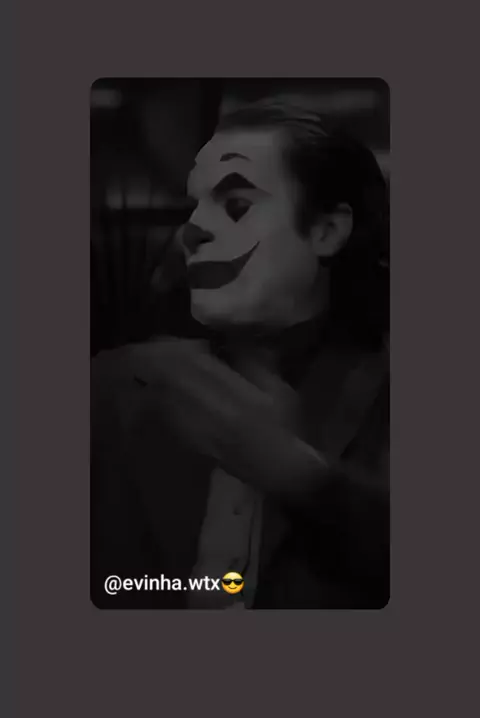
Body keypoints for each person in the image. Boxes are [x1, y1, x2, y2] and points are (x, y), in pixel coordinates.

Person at [91, 97, 390, 609]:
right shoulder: (113, 388)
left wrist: (301, 479)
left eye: (236, 205)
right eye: (195, 206)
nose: (190, 232)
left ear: (326, 231)